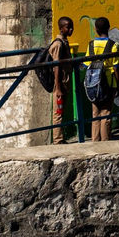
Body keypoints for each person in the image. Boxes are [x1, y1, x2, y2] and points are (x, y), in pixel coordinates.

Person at [87, 16, 119, 141]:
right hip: (109, 84)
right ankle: (105, 142)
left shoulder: (91, 45)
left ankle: (95, 141)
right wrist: (118, 85)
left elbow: (86, 64)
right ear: (109, 28)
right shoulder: (113, 45)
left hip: (93, 85)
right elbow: (116, 68)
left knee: (95, 114)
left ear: (95, 29)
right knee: (105, 114)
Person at [47, 16, 74, 144]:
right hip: (60, 84)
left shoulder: (64, 42)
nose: (71, 30)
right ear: (61, 28)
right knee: (58, 111)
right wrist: (58, 88)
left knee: (61, 110)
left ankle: (60, 137)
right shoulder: (58, 44)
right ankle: (58, 139)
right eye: (68, 27)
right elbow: (56, 66)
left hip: (64, 82)